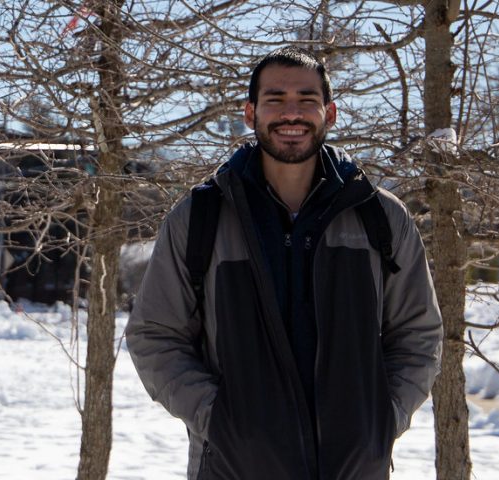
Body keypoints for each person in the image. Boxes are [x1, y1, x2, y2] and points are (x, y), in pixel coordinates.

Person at [126, 46, 443, 480]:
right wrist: (220, 421)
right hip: (233, 469)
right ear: (250, 112)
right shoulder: (201, 218)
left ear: (329, 113)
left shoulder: (380, 217)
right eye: (275, 99)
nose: (291, 114)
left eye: (306, 100)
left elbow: (418, 335)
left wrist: (380, 421)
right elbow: (155, 335)